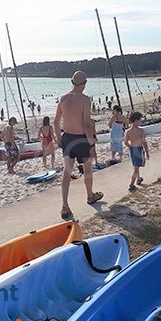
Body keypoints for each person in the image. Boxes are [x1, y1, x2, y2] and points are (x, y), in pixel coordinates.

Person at [54, 71, 103, 220]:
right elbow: (87, 124)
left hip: (67, 138)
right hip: (81, 139)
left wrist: (58, 138)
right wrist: (92, 143)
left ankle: (65, 206)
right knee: (87, 170)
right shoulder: (85, 100)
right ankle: (90, 195)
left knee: (66, 173)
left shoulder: (63, 98)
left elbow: (56, 122)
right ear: (84, 83)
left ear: (72, 82)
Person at [124, 111, 150, 192]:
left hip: (132, 150)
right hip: (139, 149)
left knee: (136, 166)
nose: (140, 122)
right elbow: (144, 142)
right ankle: (131, 184)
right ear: (135, 121)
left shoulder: (127, 131)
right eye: (140, 120)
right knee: (136, 168)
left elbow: (125, 142)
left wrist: (131, 147)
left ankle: (138, 179)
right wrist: (147, 152)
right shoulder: (141, 131)